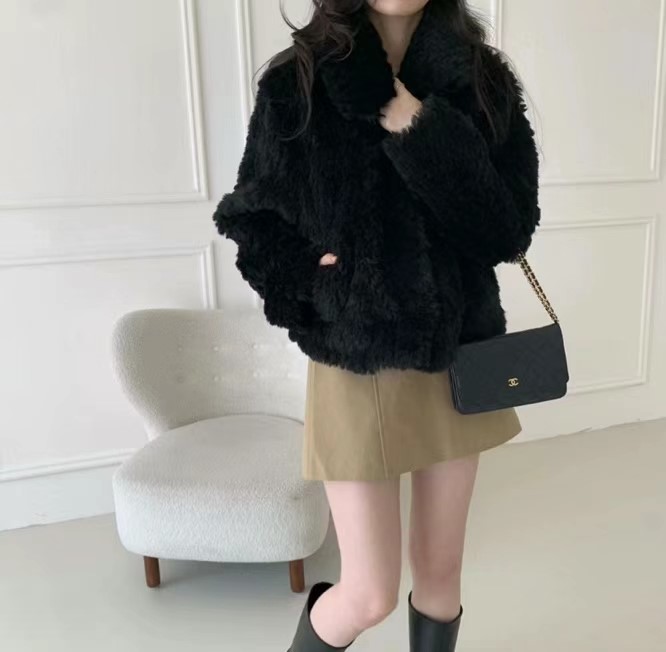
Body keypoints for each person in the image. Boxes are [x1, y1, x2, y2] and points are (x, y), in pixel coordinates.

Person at [214, 0, 540, 649]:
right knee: (368, 593)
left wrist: (418, 125)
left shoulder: (483, 79)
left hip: (458, 356)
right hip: (354, 356)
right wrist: (312, 280)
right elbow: (252, 219)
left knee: (441, 577)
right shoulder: (297, 82)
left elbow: (506, 231)